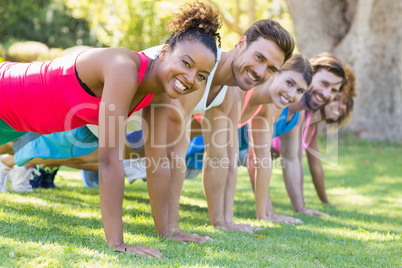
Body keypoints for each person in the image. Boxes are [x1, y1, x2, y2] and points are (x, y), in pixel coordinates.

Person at [6, 18, 295, 242]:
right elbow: (167, 156)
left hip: (89, 117)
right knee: (39, 148)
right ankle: (16, 160)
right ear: (242, 43)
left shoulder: (219, 86)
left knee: (35, 142)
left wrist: (216, 222)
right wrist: (155, 233)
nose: (261, 71)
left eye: (271, 69)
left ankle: (17, 159)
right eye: (260, 58)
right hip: (84, 114)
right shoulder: (187, 65)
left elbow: (218, 155)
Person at [0, 1, 222, 258]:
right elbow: (109, 160)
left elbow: (157, 162)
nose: (191, 78)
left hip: (14, 124)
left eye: (202, 76)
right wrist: (117, 243)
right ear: (164, 52)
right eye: (186, 63)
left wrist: (169, 230)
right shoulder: (124, 68)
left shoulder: (158, 95)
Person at [185, 54, 313, 226]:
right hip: (182, 129)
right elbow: (228, 159)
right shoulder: (241, 90)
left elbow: (262, 159)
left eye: (300, 91)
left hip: (197, 134)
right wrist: (228, 222)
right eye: (289, 83)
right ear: (274, 73)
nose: (292, 94)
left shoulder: (270, 107)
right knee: (139, 154)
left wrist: (265, 215)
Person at [246, 52, 346, 220]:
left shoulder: (297, 114)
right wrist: (267, 214)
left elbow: (291, 159)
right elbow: (254, 158)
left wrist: (301, 208)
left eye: (333, 90)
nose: (326, 94)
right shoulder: (273, 101)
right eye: (324, 83)